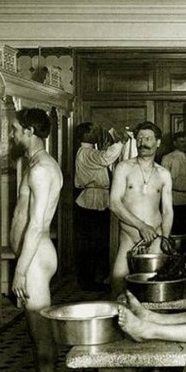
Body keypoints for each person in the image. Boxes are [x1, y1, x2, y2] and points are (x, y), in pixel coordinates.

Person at [9, 107, 64, 372]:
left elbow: (35, 224)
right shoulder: (34, 164)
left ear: (29, 132)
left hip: (35, 258)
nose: (12, 134)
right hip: (34, 255)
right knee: (35, 329)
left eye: (16, 129)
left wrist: (20, 269)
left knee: (39, 329)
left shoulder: (42, 169)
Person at [110, 121, 174, 297]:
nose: (142, 142)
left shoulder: (164, 174)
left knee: (152, 288)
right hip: (129, 238)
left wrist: (165, 239)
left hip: (156, 237)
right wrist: (141, 226)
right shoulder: (124, 168)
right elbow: (114, 203)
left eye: (148, 138)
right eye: (139, 138)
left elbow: (167, 210)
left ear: (158, 142)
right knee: (117, 282)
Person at [74, 122, 124, 290]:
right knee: (91, 244)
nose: (97, 133)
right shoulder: (86, 152)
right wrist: (120, 142)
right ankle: (88, 282)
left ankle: (96, 279)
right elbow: (105, 158)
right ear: (85, 135)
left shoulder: (90, 152)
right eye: (94, 131)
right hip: (90, 201)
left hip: (98, 198)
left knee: (97, 243)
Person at [161, 131, 186, 234]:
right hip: (175, 200)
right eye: (181, 141)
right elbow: (163, 180)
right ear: (175, 143)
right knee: (177, 229)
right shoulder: (168, 158)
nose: (184, 144)